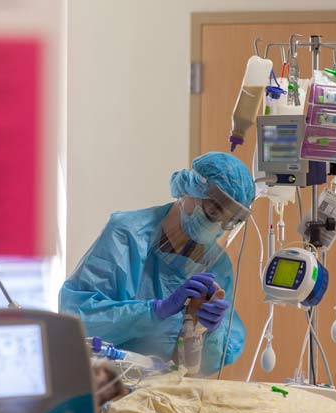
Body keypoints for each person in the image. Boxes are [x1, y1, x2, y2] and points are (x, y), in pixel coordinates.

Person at [60, 152, 256, 375]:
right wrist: (155, 311)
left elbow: (205, 365)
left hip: (169, 393)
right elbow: (77, 319)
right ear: (189, 190)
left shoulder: (218, 265)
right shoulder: (127, 235)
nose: (218, 224)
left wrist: (209, 332)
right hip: (108, 385)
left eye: (229, 220)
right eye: (213, 211)